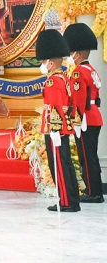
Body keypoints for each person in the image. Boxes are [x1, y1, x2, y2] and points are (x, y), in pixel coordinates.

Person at [37, 29, 79, 212]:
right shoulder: (64, 78)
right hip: (64, 126)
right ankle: (72, 200)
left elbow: (54, 106)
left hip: (56, 128)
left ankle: (66, 202)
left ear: (51, 63)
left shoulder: (53, 81)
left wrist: (54, 129)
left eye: (43, 62)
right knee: (66, 163)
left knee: (59, 166)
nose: (42, 65)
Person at [63, 23, 103, 203]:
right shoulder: (91, 70)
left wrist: (75, 121)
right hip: (95, 116)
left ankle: (93, 193)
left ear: (77, 54)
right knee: (91, 156)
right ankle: (95, 190)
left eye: (71, 53)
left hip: (85, 118)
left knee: (86, 157)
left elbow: (78, 101)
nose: (70, 56)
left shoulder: (78, 73)